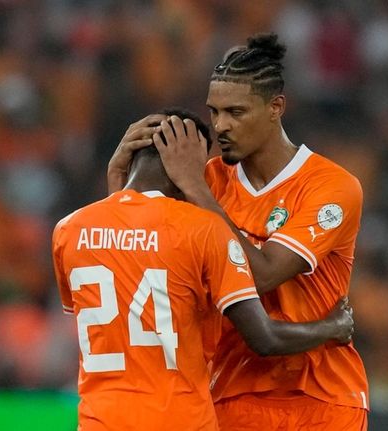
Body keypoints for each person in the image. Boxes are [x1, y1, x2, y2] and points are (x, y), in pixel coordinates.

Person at [108, 34, 369, 430]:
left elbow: (263, 274)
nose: (220, 126)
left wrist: (195, 189)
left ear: (275, 108)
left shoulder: (331, 186)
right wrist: (117, 177)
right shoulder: (207, 178)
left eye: (235, 112)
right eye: (214, 112)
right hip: (232, 392)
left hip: (322, 394)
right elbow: (135, 250)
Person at [54, 107, 354, 431]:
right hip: (180, 419)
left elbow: (124, 250)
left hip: (101, 421)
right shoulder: (202, 229)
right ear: (184, 164)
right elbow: (264, 338)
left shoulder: (70, 230)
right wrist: (332, 327)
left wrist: (116, 178)